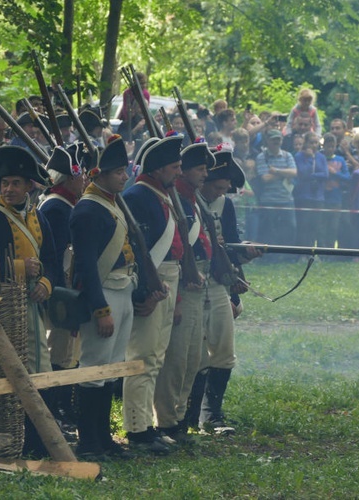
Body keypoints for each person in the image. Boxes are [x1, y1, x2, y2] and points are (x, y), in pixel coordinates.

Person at [0, 145, 57, 457]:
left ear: (28, 185)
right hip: (2, 308)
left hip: (32, 307)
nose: (9, 189)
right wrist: (18, 268)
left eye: (15, 183)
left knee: (37, 370)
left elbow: (53, 262)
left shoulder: (39, 217)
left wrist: (46, 281)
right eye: (4, 184)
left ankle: (36, 438)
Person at [69, 135, 135, 460]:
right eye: (119, 171)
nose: (125, 176)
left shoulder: (108, 203)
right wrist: (101, 309)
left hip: (122, 289)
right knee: (93, 368)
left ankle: (103, 437)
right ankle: (89, 441)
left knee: (110, 369)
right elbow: (86, 266)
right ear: (101, 174)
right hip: (104, 295)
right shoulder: (88, 210)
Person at [121, 133, 184, 455]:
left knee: (155, 357)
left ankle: (147, 425)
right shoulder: (138, 196)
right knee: (142, 357)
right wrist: (145, 291)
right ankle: (137, 429)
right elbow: (137, 251)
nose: (179, 172)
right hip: (152, 281)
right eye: (175, 166)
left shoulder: (160, 194)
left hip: (167, 277)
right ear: (159, 168)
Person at [189, 143, 257, 435]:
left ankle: (211, 415)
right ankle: (187, 416)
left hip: (217, 282)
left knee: (224, 350)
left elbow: (230, 242)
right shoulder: (186, 201)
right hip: (190, 282)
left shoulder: (224, 204)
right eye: (218, 186)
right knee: (191, 353)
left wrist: (244, 257)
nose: (221, 192)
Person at [154, 140, 214, 444]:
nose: (205, 174)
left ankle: (177, 417)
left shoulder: (190, 199)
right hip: (181, 285)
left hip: (196, 283)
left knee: (192, 358)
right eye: (199, 169)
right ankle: (166, 420)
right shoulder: (174, 198)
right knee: (176, 359)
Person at [38, 142, 90, 429]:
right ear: (70, 177)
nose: (84, 179)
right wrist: (61, 295)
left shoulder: (61, 203)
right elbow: (55, 256)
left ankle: (64, 406)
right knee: (61, 349)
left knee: (70, 350)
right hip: (61, 288)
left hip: (65, 284)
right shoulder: (57, 207)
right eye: (80, 174)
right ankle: (57, 408)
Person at [254, 129, 297, 253]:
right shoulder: (261, 157)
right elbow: (265, 178)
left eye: (278, 139)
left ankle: (286, 255)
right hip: (269, 200)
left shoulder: (287, 155)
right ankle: (270, 256)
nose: (276, 142)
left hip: (287, 199)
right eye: (273, 139)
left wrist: (276, 171)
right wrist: (285, 173)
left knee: (290, 228)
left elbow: (294, 172)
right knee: (269, 230)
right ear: (267, 141)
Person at [293, 132, 328, 247]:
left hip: (318, 196)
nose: (314, 145)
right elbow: (302, 173)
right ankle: (303, 251)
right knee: (304, 224)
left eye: (316, 142)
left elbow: (325, 174)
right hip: (304, 196)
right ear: (306, 143)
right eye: (311, 142)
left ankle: (313, 250)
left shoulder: (321, 157)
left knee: (316, 225)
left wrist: (313, 176)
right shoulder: (299, 156)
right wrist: (309, 159)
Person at [322, 133, 351, 249]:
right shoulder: (319, 158)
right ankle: (322, 248)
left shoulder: (340, 160)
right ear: (323, 145)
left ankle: (330, 249)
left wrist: (335, 173)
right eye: (327, 146)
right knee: (322, 225)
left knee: (334, 226)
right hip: (322, 197)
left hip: (336, 198)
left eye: (332, 146)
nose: (330, 149)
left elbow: (347, 177)